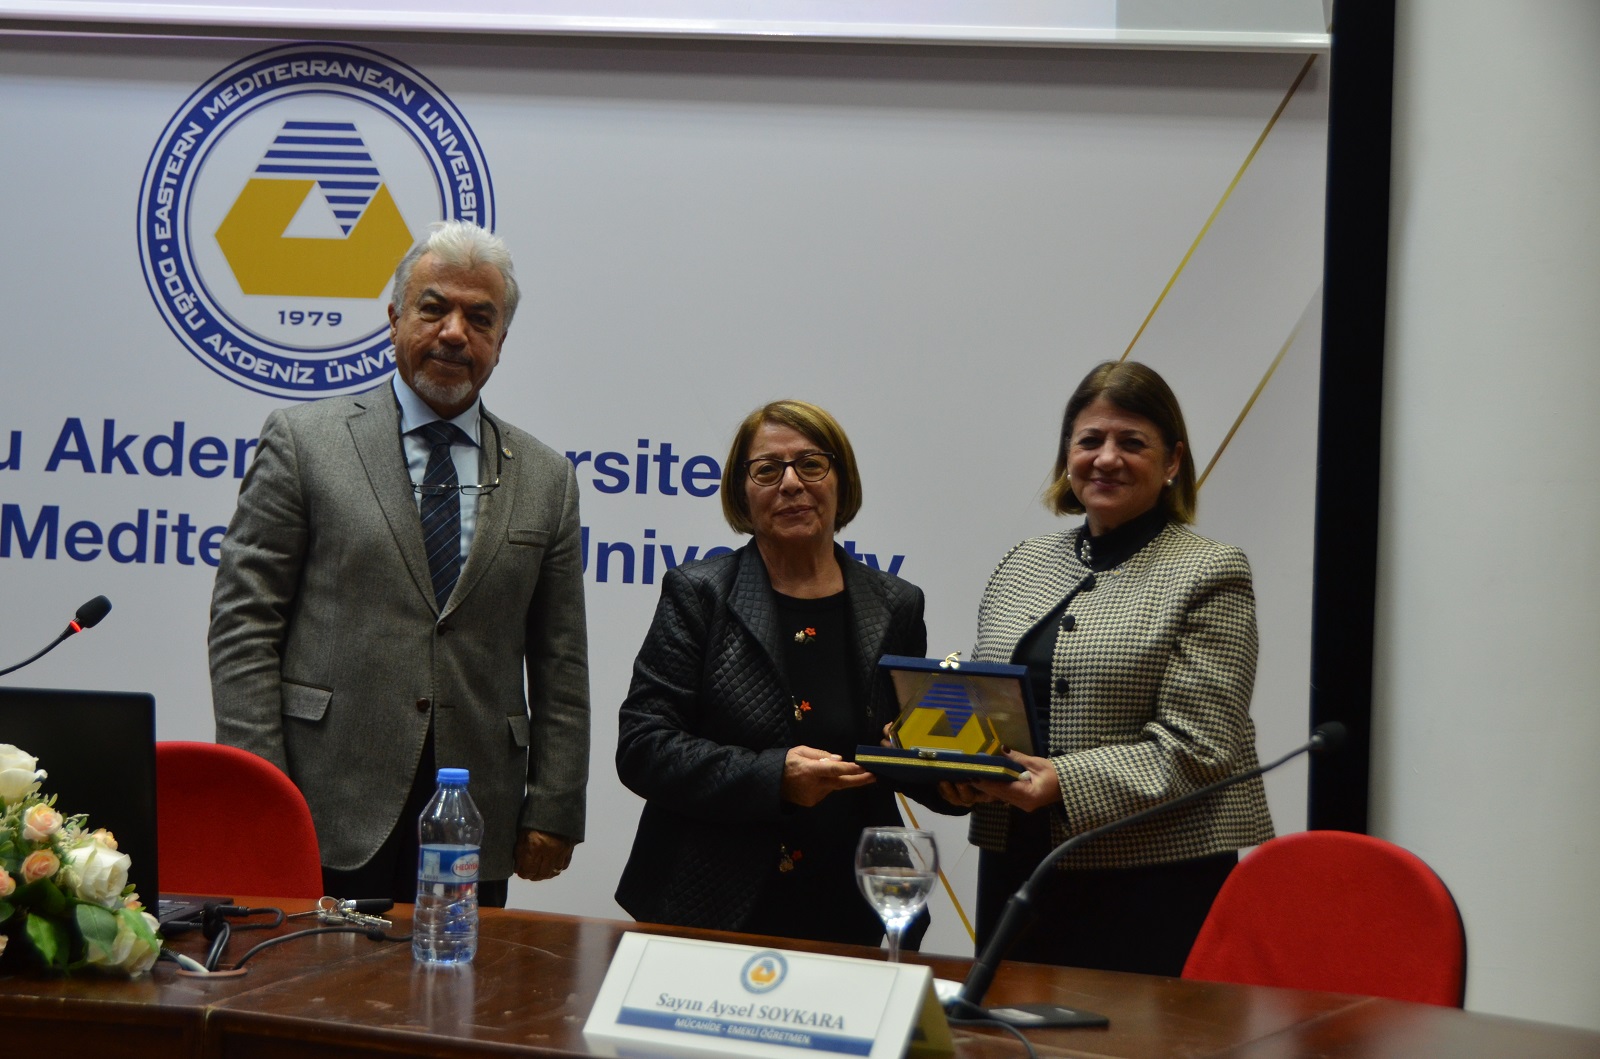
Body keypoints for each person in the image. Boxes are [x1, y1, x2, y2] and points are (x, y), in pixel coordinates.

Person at [209, 220, 590, 907]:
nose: (454, 333)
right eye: (433, 308)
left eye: (480, 318)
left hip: (476, 811)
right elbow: (244, 626)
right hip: (322, 800)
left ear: (501, 341)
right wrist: (259, 786)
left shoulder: (547, 478)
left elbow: (561, 661)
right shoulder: (304, 442)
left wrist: (555, 805)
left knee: (458, 978)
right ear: (393, 319)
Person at [942, 360, 1274, 977]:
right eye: (1090, 440)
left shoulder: (1211, 571)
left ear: (1173, 461)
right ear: (1067, 456)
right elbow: (989, 704)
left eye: (1132, 442)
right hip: (1019, 868)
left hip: (1150, 881)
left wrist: (1061, 782)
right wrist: (945, 759)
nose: (1106, 458)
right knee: (1003, 1027)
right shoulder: (1022, 562)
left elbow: (1199, 746)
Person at [616, 400, 946, 945]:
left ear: (841, 480)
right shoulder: (698, 594)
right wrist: (774, 778)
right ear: (742, 493)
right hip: (709, 903)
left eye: (811, 464)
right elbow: (643, 747)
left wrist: (956, 779)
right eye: (768, 470)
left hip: (846, 903)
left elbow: (898, 749)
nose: (791, 484)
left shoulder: (897, 604)